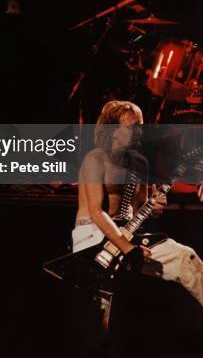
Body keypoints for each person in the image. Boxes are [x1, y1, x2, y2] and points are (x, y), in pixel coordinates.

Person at [74, 99, 203, 306]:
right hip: (92, 235)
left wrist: (153, 208)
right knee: (99, 303)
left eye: (141, 127)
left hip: (127, 236)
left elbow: (139, 214)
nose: (140, 133)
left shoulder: (139, 162)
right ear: (113, 129)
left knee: (185, 257)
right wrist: (128, 248)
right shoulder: (94, 159)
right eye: (133, 127)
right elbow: (96, 212)